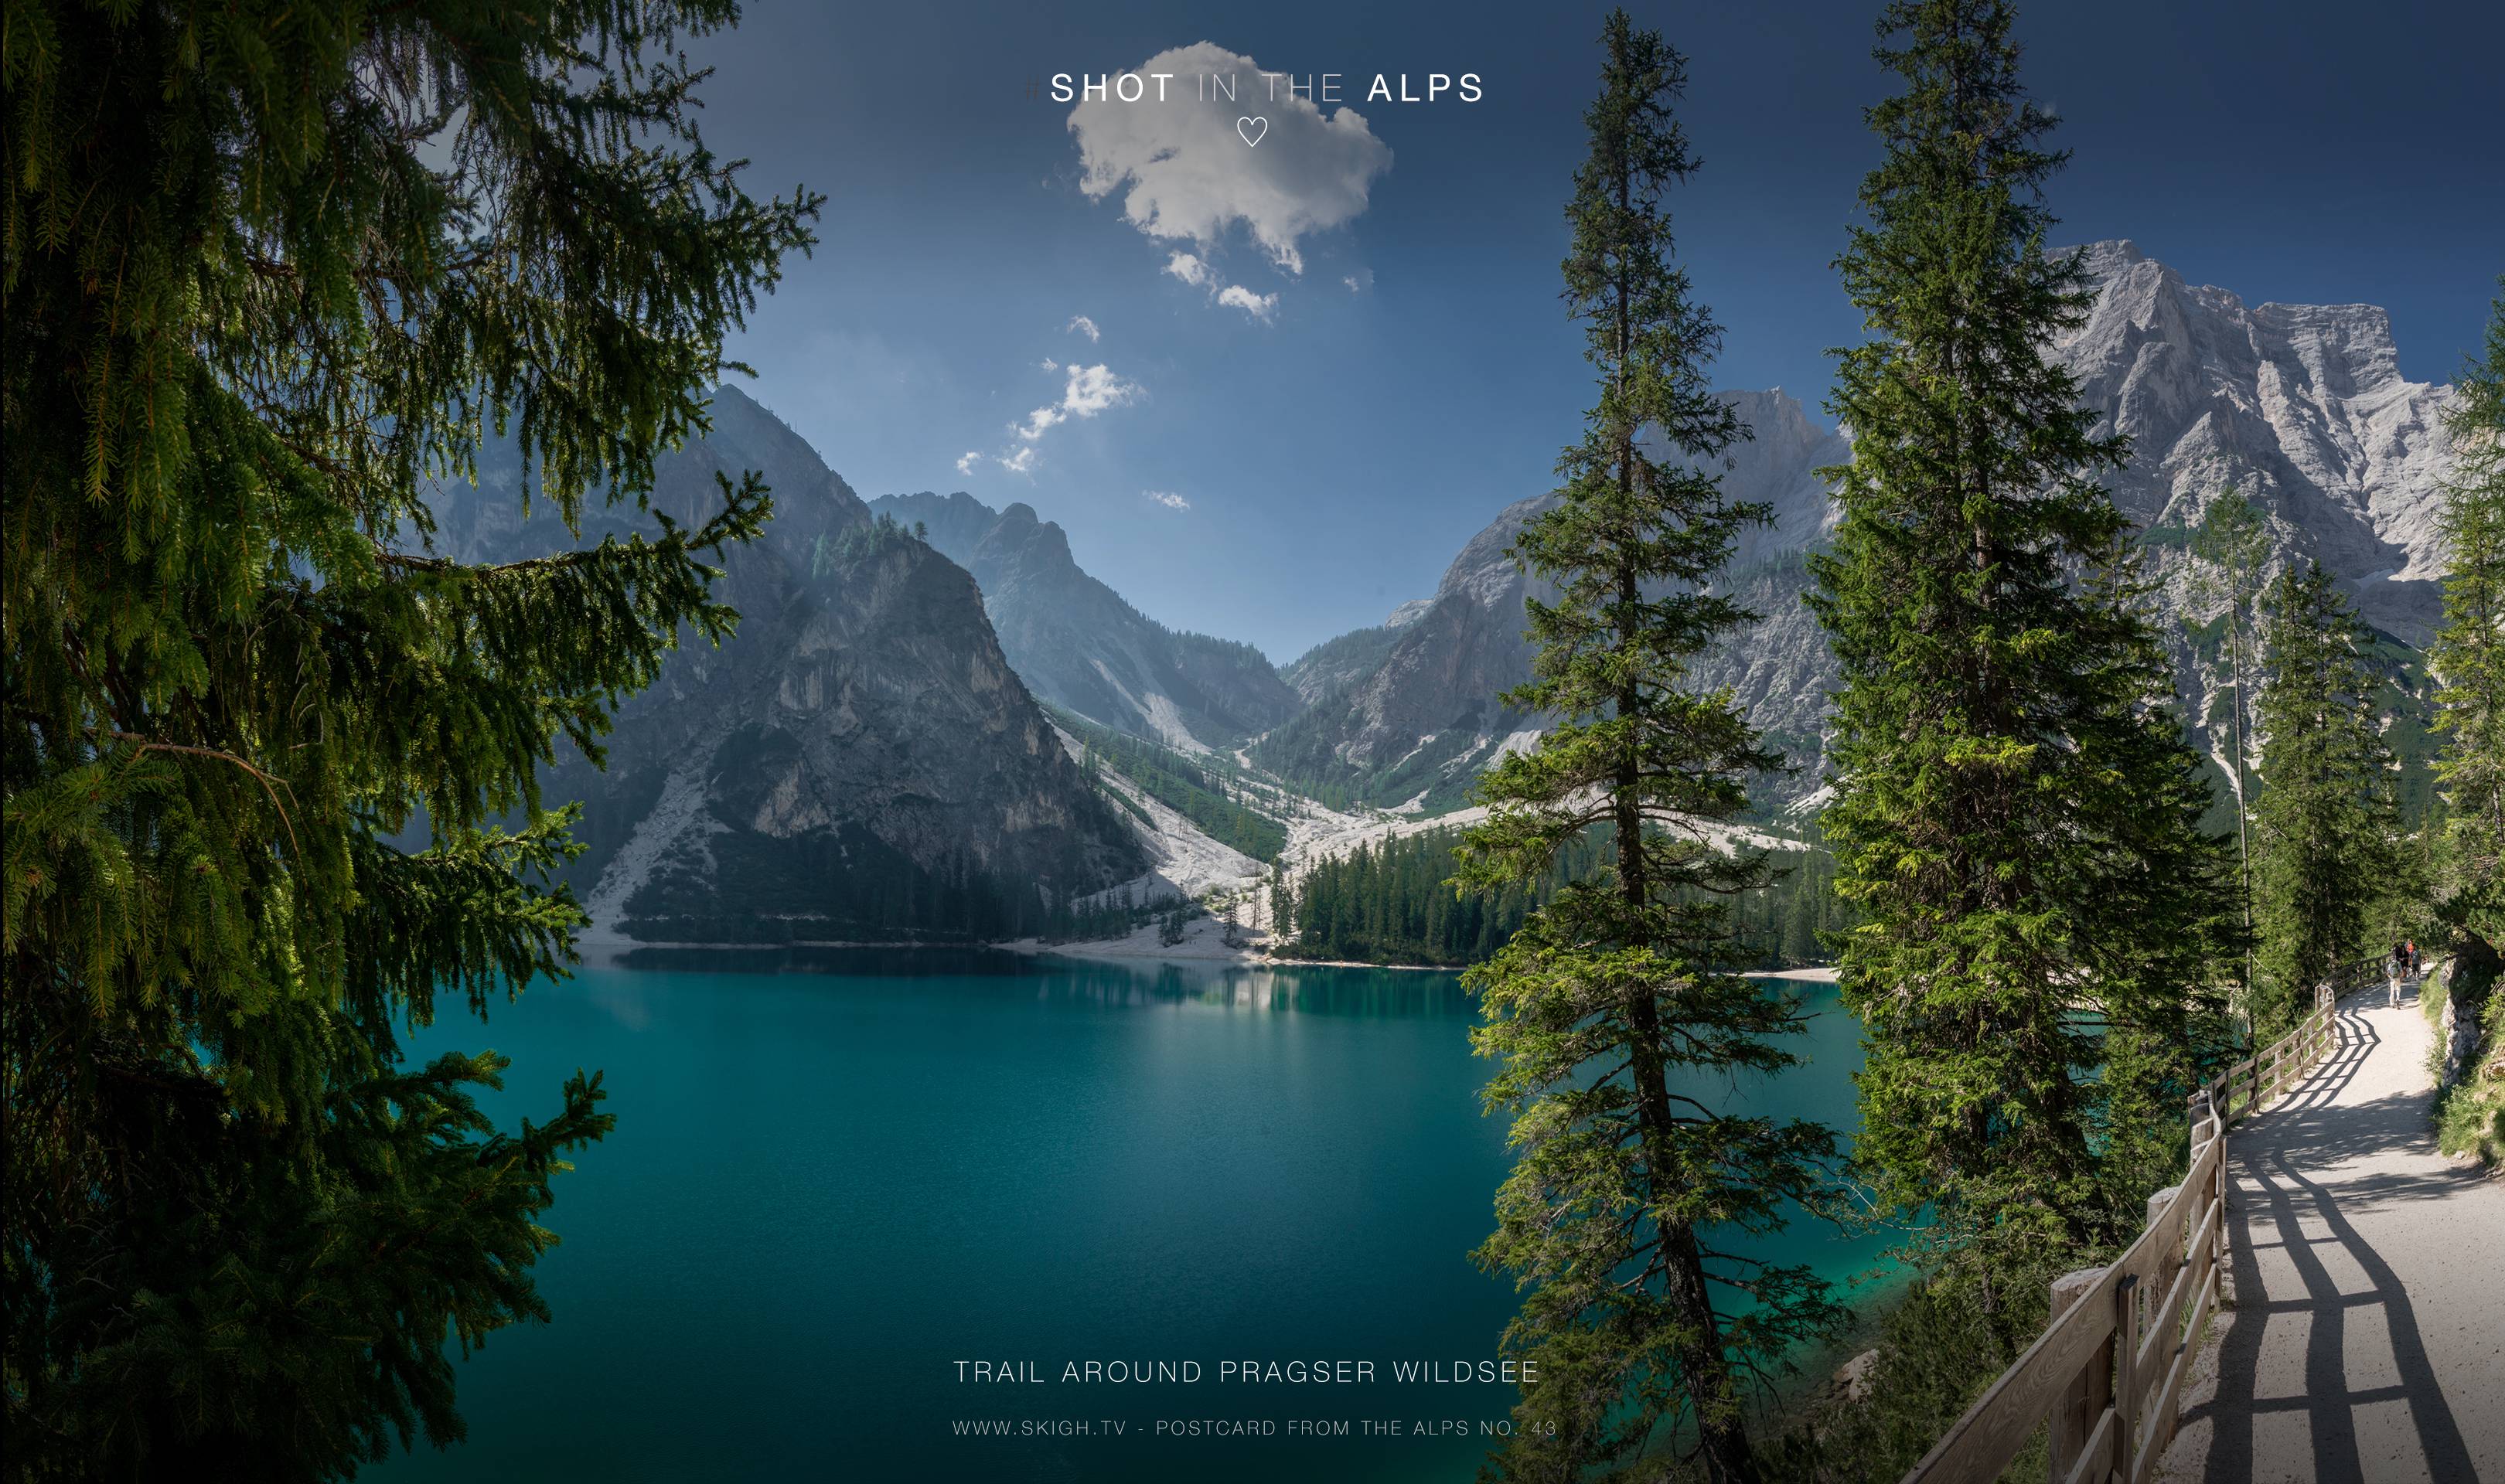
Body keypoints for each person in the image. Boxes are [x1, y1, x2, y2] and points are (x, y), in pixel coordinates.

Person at [2388, 941, 2407, 1007]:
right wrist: (2401, 977)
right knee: (2398, 989)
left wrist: (2390, 977)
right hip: (2397, 978)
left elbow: (2388, 973)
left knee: (2392, 991)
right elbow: (2401, 971)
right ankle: (2398, 999)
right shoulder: (2398, 963)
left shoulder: (2390, 964)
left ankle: (2392, 1004)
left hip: (2392, 978)